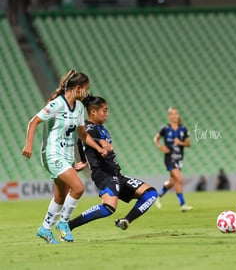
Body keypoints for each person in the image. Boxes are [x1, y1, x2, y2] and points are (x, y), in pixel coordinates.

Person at [22, 70, 107, 244]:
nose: (87, 92)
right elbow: (33, 122)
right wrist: (28, 144)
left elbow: (83, 135)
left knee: (60, 195)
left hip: (67, 156)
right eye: (86, 89)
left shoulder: (79, 108)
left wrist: (98, 147)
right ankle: (64, 223)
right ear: (77, 88)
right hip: (52, 153)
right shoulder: (57, 104)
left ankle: (45, 228)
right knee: (78, 187)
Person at [68, 95, 158, 231]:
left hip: (116, 173)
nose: (107, 114)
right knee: (109, 208)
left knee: (150, 194)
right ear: (93, 111)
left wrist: (83, 161)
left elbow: (81, 142)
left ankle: (125, 220)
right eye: (104, 111)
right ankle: (68, 225)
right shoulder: (88, 128)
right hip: (104, 174)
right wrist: (100, 143)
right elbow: (84, 138)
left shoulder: (100, 128)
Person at [154, 107, 192, 212]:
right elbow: (156, 139)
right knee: (179, 179)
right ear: (169, 116)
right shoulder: (165, 128)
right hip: (169, 158)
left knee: (172, 182)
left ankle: (159, 195)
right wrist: (161, 147)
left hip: (179, 159)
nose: (174, 116)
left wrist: (181, 143)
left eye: (176, 114)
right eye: (172, 114)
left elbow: (188, 144)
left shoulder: (183, 129)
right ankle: (183, 204)